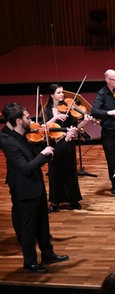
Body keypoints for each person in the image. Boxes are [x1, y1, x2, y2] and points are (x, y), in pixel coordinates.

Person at [1, 102, 69, 273]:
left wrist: (58, 141)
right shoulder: (8, 141)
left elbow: (35, 153)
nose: (31, 121)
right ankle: (30, 261)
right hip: (24, 189)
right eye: (27, 117)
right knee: (29, 228)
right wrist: (42, 154)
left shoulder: (22, 134)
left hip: (35, 185)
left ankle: (47, 254)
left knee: (42, 223)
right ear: (17, 121)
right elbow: (25, 167)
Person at [43, 84, 93, 213]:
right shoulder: (47, 110)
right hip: (54, 144)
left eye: (62, 92)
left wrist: (84, 122)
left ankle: (73, 200)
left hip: (68, 143)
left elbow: (75, 128)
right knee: (55, 173)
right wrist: (54, 118)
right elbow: (43, 127)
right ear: (52, 95)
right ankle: (55, 202)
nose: (62, 95)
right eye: (59, 92)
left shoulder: (69, 109)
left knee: (70, 172)